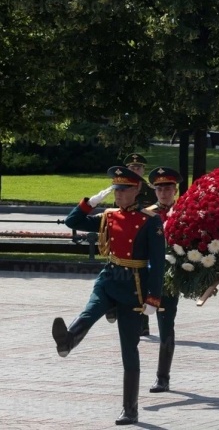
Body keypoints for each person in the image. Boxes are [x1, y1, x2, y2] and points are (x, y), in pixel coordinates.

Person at [53, 166, 165, 425]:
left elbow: (158, 263)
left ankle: (130, 408)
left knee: (129, 349)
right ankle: (68, 340)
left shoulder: (150, 220)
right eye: (116, 189)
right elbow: (73, 222)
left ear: (137, 189)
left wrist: (153, 298)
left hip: (134, 286)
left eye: (123, 189)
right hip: (110, 278)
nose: (118, 194)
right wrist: (90, 202)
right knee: (89, 312)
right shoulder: (109, 215)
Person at [145, 167, 183, 393]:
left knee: (165, 325)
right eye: (159, 188)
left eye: (167, 188)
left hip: (168, 278)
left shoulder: (184, 212)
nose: (163, 192)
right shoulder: (147, 214)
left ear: (175, 189)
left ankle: (162, 377)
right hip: (144, 275)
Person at [111, 153, 157, 336]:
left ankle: (143, 322)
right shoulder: (122, 186)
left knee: (141, 285)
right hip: (124, 240)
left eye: (138, 168)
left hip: (143, 239)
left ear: (143, 170)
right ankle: (113, 308)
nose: (135, 170)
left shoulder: (150, 189)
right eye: (132, 167)